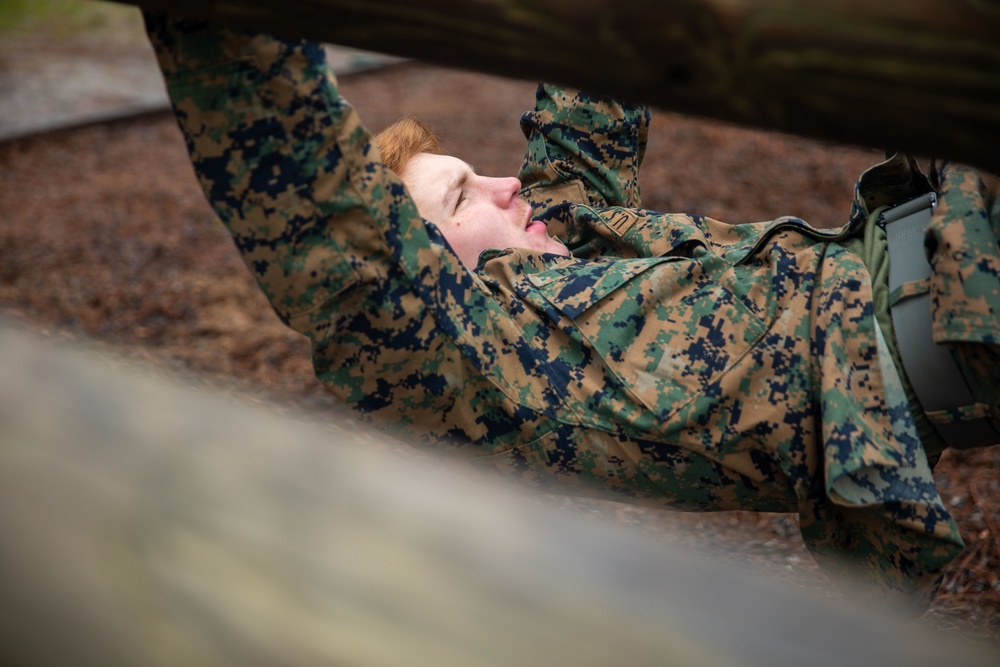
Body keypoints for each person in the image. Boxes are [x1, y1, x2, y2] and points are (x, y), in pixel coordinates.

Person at [143, 13, 1000, 605]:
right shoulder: (477, 358)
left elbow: (591, 100)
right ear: (425, 264)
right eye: (463, 194)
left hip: (945, 237)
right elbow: (311, 197)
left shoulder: (561, 234)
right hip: (962, 320)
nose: (504, 182)